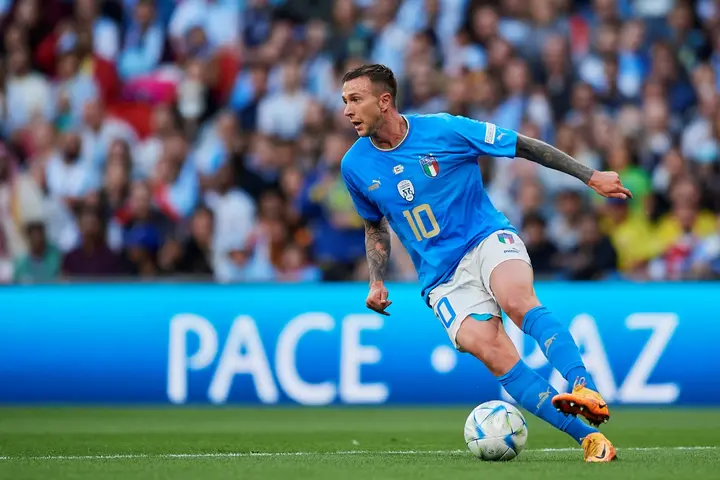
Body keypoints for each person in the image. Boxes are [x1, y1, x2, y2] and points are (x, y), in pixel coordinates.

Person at [339, 64, 633, 463]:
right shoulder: (354, 165)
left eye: (355, 99)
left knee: (516, 300)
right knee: (496, 355)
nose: (347, 110)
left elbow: (523, 144)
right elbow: (374, 226)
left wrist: (590, 175)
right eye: (344, 102)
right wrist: (376, 280)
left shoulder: (443, 130)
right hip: (441, 278)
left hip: (485, 238)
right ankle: (589, 439)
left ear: (384, 100)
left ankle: (583, 385)